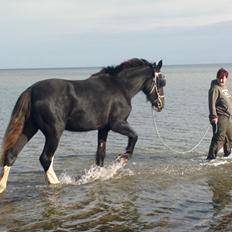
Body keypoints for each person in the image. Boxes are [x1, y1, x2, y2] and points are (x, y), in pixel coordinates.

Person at [207, 68, 232, 160]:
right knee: (219, 137)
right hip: (220, 116)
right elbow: (211, 103)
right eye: (219, 78)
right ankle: (211, 157)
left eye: (223, 78)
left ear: (226, 78)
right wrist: (213, 116)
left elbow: (228, 99)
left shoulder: (224, 87)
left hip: (227, 116)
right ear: (217, 78)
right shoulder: (215, 88)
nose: (221, 80)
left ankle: (227, 154)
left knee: (230, 136)